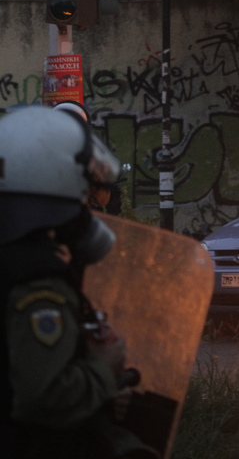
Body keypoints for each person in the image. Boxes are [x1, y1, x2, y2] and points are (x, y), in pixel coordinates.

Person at [0, 106, 156, 458]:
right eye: (85, 191)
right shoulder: (38, 284)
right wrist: (104, 366)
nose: (90, 203)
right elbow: (43, 398)